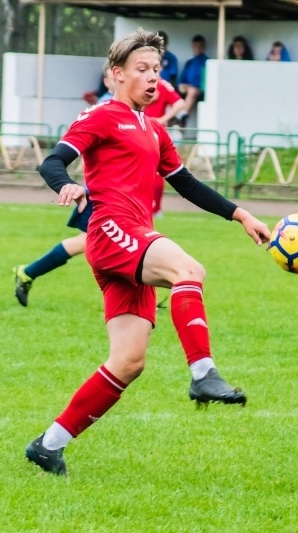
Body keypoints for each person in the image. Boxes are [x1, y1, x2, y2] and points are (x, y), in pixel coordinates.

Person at [25, 28, 271, 476]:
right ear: (116, 74)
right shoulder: (101, 116)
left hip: (133, 238)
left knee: (129, 361)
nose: (153, 77)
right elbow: (52, 160)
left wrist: (241, 215)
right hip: (111, 230)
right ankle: (203, 374)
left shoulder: (155, 130)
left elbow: (187, 185)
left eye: (157, 69)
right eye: (142, 69)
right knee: (188, 269)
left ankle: (48, 444)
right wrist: (66, 186)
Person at [12, 196, 92, 307]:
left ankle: (28, 272)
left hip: (115, 195)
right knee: (88, 241)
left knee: (89, 241)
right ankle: (28, 272)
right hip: (106, 195)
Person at [144, 76, 186, 216]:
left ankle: (155, 208)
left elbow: (180, 103)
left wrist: (163, 119)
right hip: (139, 130)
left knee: (156, 171)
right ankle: (151, 207)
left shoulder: (161, 84)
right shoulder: (142, 83)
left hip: (154, 131)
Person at [177, 34, 208, 127]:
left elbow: (207, 81)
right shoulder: (190, 62)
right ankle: (179, 118)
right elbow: (182, 80)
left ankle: (182, 116)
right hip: (188, 88)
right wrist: (181, 85)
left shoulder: (207, 62)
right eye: (195, 46)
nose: (197, 48)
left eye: (199, 46)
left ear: (203, 47)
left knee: (192, 91)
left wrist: (194, 87)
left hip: (200, 90)